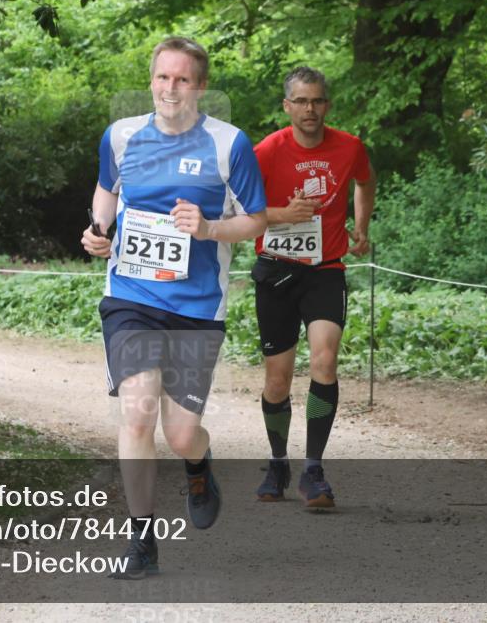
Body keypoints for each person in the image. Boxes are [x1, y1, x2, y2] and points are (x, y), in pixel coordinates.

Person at [81, 36, 267, 579]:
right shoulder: (121, 136)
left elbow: (255, 220)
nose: (171, 88)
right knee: (137, 411)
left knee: (181, 432)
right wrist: (99, 230)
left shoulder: (229, 144)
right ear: (151, 80)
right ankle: (142, 542)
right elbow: (105, 189)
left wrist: (209, 228)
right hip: (132, 297)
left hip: (196, 305)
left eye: (183, 79)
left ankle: (197, 464)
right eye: (163, 77)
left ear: (201, 86)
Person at [251, 66, 375, 508]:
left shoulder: (349, 147)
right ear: (287, 106)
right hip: (277, 271)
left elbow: (365, 180)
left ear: (327, 105)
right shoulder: (265, 151)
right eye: (301, 101)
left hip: (325, 269)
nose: (310, 109)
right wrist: (282, 214)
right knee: (278, 381)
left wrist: (360, 227)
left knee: (325, 360)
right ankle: (277, 460)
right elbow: (237, 208)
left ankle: (314, 470)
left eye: (317, 100)